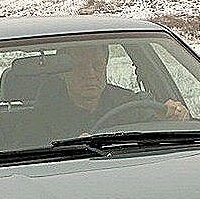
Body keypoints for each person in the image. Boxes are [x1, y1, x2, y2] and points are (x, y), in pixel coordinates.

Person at [32, 43, 188, 142]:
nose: (91, 73)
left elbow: (157, 134)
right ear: (63, 73)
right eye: (80, 66)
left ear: (106, 65)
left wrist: (173, 116)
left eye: (97, 65)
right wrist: (70, 150)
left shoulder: (129, 103)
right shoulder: (43, 115)